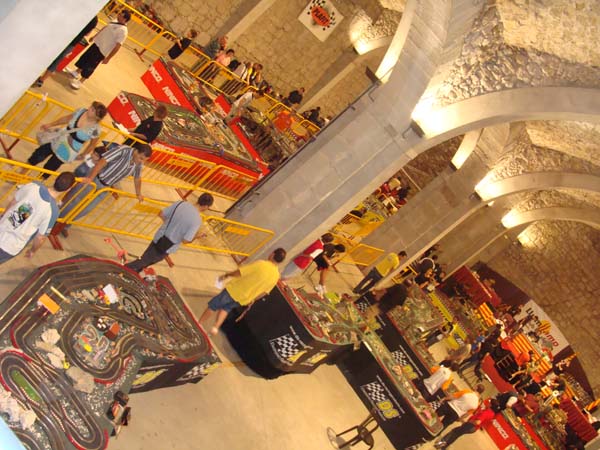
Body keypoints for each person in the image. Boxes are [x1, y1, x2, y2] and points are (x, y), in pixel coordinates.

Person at [58, 143, 152, 231]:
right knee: (74, 200)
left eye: (144, 160)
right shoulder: (123, 150)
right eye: (141, 158)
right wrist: (90, 178)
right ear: (136, 151)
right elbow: (103, 161)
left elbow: (137, 178)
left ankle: (65, 223)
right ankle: (57, 219)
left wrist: (138, 193)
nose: (141, 161)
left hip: (105, 188)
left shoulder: (139, 164)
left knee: (86, 209)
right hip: (95, 178)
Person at [198, 248, 287, 335]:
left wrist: (227, 275)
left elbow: (241, 272)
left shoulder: (262, 264)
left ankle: (199, 323)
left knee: (213, 305)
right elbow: (264, 292)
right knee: (226, 309)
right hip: (244, 299)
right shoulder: (276, 276)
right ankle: (215, 327)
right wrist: (252, 300)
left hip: (235, 290)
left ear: (272, 254)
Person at [125, 193, 214, 272]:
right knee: (143, 262)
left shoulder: (180, 203)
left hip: (159, 236)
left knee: (145, 259)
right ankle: (123, 270)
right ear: (206, 206)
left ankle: (131, 274)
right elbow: (185, 240)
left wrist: (169, 225)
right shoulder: (196, 220)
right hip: (167, 246)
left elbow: (161, 214)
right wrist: (197, 236)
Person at [0, 172, 75, 263]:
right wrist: (32, 251)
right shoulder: (52, 211)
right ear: (68, 189)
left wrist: (3, 217)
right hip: (10, 246)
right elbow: (40, 238)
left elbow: (14, 202)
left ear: (56, 179)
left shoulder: (33, 186)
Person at [27, 101, 106, 178]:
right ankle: (23, 172)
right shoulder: (81, 111)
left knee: (50, 167)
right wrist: (51, 124)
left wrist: (83, 154)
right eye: (91, 107)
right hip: (58, 138)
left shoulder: (96, 129)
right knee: (37, 155)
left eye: (92, 110)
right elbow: (66, 118)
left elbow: (92, 144)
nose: (89, 109)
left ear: (97, 117)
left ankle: (38, 182)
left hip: (68, 150)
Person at [66, 10, 131, 89]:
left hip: (102, 50)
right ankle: (76, 72)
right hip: (97, 43)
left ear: (125, 19)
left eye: (121, 15)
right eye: (119, 14)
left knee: (90, 66)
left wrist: (108, 58)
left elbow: (118, 46)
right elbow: (105, 28)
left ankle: (81, 81)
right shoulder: (115, 21)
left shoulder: (123, 31)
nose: (118, 15)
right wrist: (95, 36)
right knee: (85, 58)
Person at [33, 16, 99, 88]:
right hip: (73, 42)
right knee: (57, 61)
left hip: (62, 36)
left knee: (47, 54)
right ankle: (41, 80)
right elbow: (87, 34)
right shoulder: (94, 20)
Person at [434, 399, 501, 448]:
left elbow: (477, 422)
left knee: (454, 432)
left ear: (491, 405)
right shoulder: (492, 414)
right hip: (473, 428)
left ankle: (441, 444)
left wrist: (468, 422)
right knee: (456, 434)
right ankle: (444, 445)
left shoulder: (486, 412)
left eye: (489, 403)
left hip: (470, 426)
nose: (488, 403)